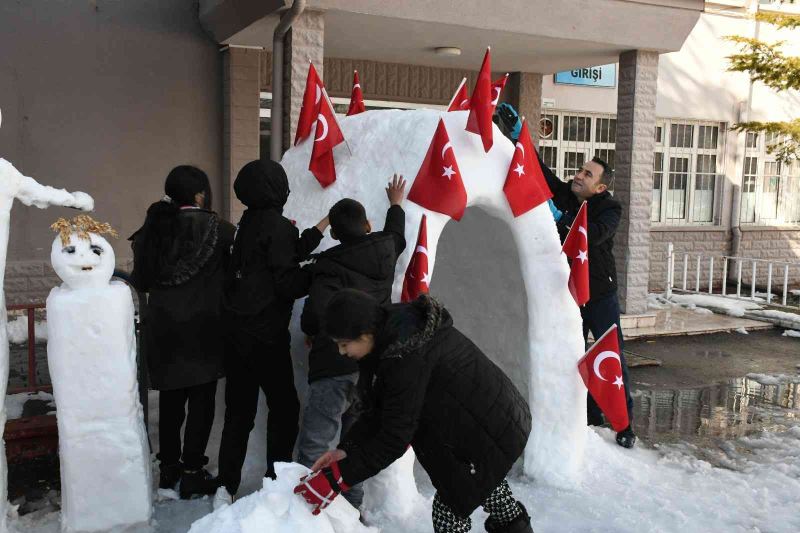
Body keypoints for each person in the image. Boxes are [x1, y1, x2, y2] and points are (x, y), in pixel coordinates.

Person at [295, 289, 534, 533]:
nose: (341, 352)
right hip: (481, 422)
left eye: (344, 344)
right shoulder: (390, 337)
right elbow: (379, 411)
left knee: (451, 511)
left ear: (365, 334)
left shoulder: (405, 356)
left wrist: (338, 478)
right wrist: (346, 451)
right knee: (484, 487)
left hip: (489, 425)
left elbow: (394, 437)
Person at [496, 103, 636, 449]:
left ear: (601, 188)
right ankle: (586, 416)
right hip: (567, 291)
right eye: (580, 170)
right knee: (570, 352)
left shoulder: (609, 209)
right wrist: (518, 138)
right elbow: (539, 173)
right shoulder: (568, 195)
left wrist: (564, 222)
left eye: (588, 175)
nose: (579, 176)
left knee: (607, 355)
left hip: (599, 293)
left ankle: (623, 423)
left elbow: (595, 235)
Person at [216, 159, 328, 501]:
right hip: (266, 336)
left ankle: (225, 486)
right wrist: (320, 272)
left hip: (235, 335)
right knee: (284, 409)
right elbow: (286, 281)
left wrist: (318, 229)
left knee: (239, 413)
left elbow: (281, 254)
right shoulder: (277, 227)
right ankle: (275, 480)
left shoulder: (246, 224)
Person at [295, 174, 407, 511]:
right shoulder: (386, 250)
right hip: (369, 368)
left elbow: (314, 316)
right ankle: (351, 511)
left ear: (334, 235)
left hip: (332, 366)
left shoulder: (328, 266)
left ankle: (306, 509)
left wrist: (312, 333)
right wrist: (396, 204)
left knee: (317, 441)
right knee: (352, 445)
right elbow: (397, 235)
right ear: (368, 224)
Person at [130, 165, 235, 498]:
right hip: (204, 330)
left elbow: (141, 280)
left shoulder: (152, 229)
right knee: (201, 406)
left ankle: (168, 470)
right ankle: (192, 472)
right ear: (200, 195)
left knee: (171, 404)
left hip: (163, 331)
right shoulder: (220, 229)